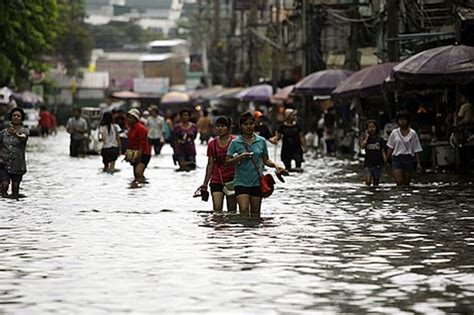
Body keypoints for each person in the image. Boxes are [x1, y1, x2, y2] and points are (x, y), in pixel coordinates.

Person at [226, 112, 286, 218]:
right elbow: (227, 163)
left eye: (251, 124)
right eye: (245, 124)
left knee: (255, 214)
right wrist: (240, 157)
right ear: (240, 126)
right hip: (241, 181)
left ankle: (254, 234)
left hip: (257, 182)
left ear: (255, 124)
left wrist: (276, 166)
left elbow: (266, 160)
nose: (249, 127)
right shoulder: (235, 143)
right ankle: (243, 234)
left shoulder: (261, 141)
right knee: (244, 211)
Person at [200, 116, 237, 212]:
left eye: (223, 126)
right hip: (216, 179)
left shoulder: (236, 142)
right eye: (218, 126)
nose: (220, 128)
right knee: (217, 210)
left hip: (232, 179)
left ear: (229, 128)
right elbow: (210, 164)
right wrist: (205, 183)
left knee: (232, 211)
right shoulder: (212, 144)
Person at [386, 111, 423, 187]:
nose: (402, 122)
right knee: (399, 181)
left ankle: (406, 197)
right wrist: (386, 160)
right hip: (396, 158)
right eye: (400, 120)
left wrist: (418, 163)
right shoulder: (394, 133)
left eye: (404, 120)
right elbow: (390, 147)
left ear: (408, 120)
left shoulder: (413, 133)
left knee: (406, 183)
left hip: (408, 158)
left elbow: (416, 148)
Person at [0, 108, 29, 198]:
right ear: (11, 118)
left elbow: (23, 137)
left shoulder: (25, 131)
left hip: (17, 165)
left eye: (18, 116)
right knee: (4, 185)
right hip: (4, 163)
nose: (16, 117)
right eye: (14, 116)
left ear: (21, 118)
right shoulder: (3, 133)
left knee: (15, 190)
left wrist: (15, 134)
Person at [126, 108, 151, 184]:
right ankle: (138, 190)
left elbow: (142, 142)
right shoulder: (131, 129)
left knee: (138, 173)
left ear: (135, 118)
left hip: (144, 153)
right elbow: (130, 142)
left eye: (131, 118)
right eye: (128, 117)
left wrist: (139, 154)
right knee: (136, 175)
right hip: (134, 153)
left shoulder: (141, 128)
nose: (129, 120)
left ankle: (144, 186)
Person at [361, 120, 387, 186]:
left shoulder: (380, 139)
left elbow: (383, 151)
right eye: (369, 127)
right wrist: (366, 137)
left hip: (377, 164)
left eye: (373, 127)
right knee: (368, 182)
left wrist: (386, 162)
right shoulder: (365, 139)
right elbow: (362, 147)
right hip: (367, 164)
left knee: (376, 183)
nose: (371, 129)